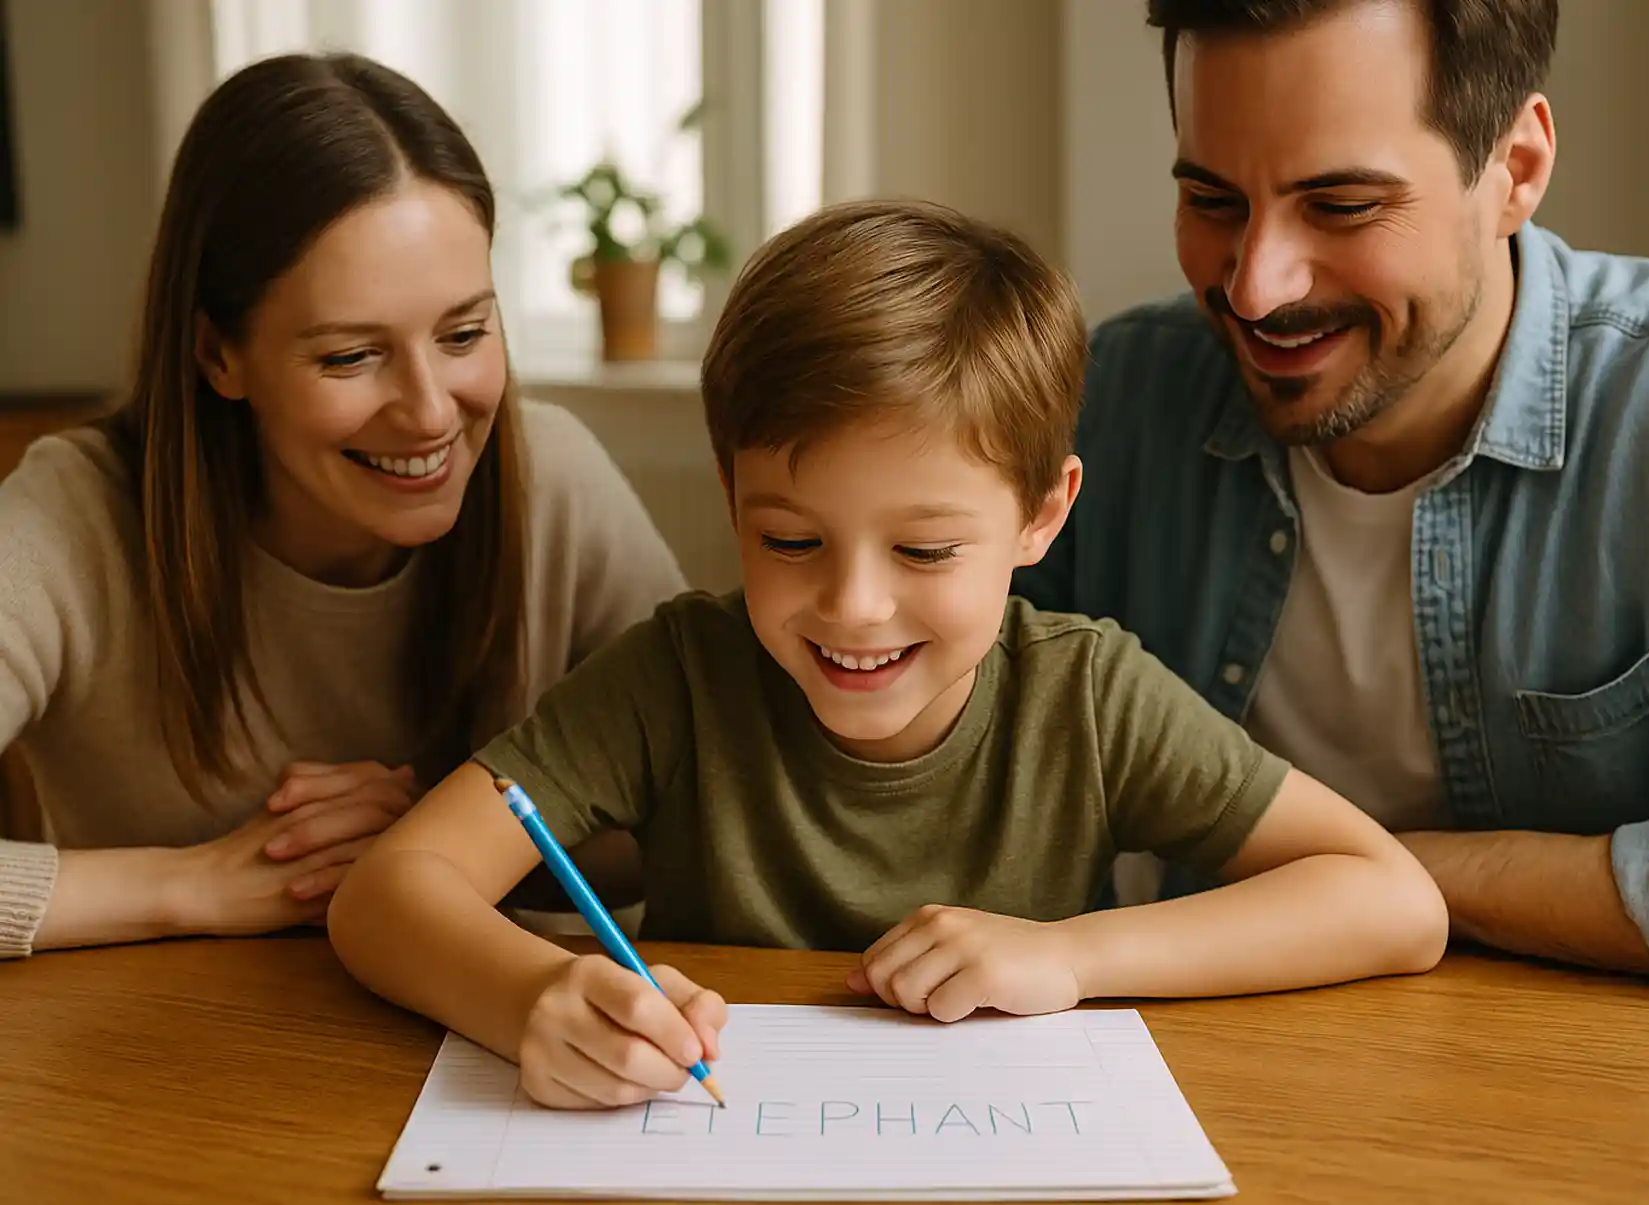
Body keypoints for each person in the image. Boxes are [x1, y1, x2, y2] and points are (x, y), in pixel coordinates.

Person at [326, 197, 1448, 1110]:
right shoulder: (675, 674)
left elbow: (1391, 900)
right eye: (789, 539)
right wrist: (535, 994)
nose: (853, 606)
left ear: (1039, 516)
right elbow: (387, 892)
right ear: (729, 497)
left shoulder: (1086, 692)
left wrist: (1072, 957)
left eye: (922, 546)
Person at [1012, 0, 1649, 999]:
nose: (1255, 287)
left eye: (1340, 205)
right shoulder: (1108, 406)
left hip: (1600, 1107)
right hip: (1207, 1079)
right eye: (1212, 201)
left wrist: (1376, 884)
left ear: (1514, 168)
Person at [0, 52, 685, 959]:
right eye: (349, 357)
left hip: (473, 1055)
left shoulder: (551, 475)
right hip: (147, 1063)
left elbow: (714, 806)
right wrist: (194, 882)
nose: (432, 410)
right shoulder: (76, 516)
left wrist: (439, 844)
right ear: (218, 355)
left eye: (464, 334)